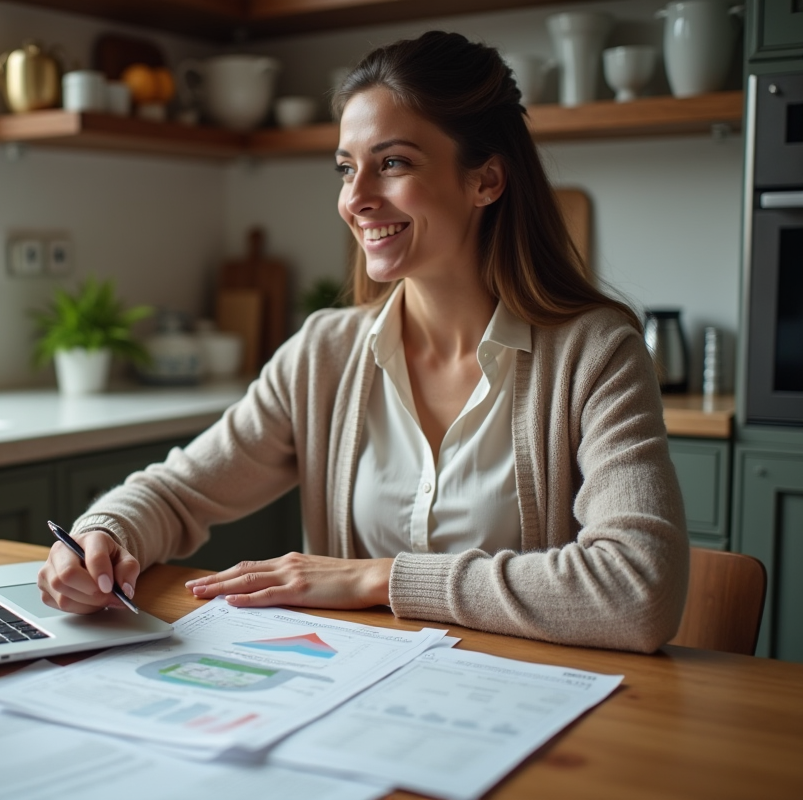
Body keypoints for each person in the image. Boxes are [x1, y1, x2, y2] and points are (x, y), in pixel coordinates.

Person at [37, 31, 689, 653]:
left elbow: (638, 591)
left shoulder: (596, 355)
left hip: (538, 705)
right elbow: (179, 493)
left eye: (393, 163)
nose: (357, 198)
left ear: (485, 181)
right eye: (347, 168)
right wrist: (101, 533)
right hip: (357, 697)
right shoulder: (325, 353)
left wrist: (374, 578)